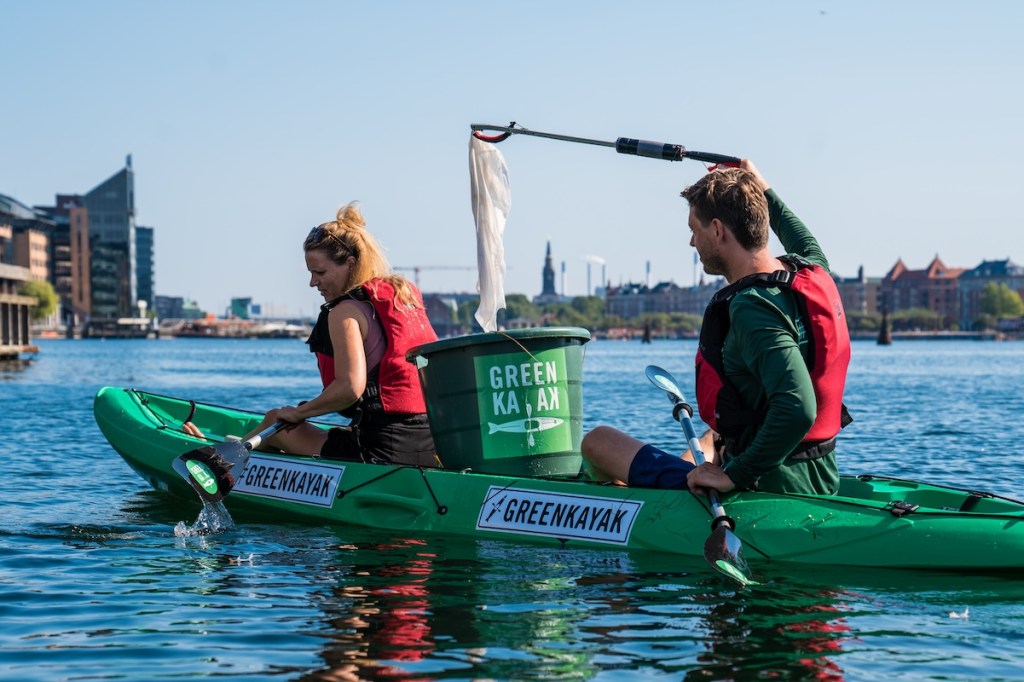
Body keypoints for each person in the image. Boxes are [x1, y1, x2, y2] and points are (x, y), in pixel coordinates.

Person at [582, 160, 851, 496]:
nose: (692, 242)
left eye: (695, 229)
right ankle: (682, 477)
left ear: (719, 230)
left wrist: (734, 475)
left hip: (768, 486)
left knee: (598, 441)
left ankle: (644, 501)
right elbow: (801, 236)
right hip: (817, 474)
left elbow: (798, 408)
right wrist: (761, 186)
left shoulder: (754, 307)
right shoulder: (812, 270)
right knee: (714, 436)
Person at [185, 202, 440, 466]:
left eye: (320, 272)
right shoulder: (402, 296)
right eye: (310, 273)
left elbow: (349, 388)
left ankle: (219, 463)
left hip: (380, 453)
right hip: (431, 445)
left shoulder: (344, 311)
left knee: (276, 420)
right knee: (326, 430)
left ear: (350, 264)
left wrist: (300, 413)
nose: (312, 282)